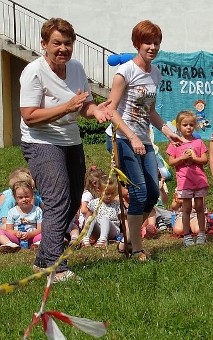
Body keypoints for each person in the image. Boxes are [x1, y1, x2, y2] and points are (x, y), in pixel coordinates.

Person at [19, 18, 111, 281]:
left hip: (71, 140)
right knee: (57, 199)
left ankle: (43, 260)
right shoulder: (33, 72)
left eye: (68, 44)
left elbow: (85, 105)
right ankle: (56, 268)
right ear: (44, 44)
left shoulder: (77, 69)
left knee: (71, 201)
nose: (63, 49)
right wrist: (67, 107)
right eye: (57, 43)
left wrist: (97, 110)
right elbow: (29, 115)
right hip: (41, 141)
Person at [105, 20, 184, 261]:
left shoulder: (155, 73)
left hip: (144, 141)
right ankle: (137, 249)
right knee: (138, 193)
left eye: (156, 42)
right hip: (122, 139)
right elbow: (111, 109)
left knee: (152, 194)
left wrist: (167, 130)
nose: (152, 47)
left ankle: (126, 241)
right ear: (137, 44)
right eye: (147, 42)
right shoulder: (125, 72)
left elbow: (149, 111)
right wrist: (131, 137)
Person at [167, 111, 209, 246]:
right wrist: (182, 158)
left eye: (191, 124)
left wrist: (194, 158)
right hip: (184, 182)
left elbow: (205, 159)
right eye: (185, 125)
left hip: (199, 181)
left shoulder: (198, 142)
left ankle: (201, 233)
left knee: (199, 207)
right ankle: (187, 235)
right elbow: (171, 162)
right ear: (179, 126)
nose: (188, 127)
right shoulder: (175, 143)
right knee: (186, 209)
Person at [0, 181, 43, 253]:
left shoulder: (37, 210)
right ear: (15, 198)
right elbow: (9, 229)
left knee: (47, 232)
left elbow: (40, 229)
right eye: (20, 197)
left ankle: (37, 245)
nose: (24, 199)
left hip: (33, 237)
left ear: (32, 195)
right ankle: (10, 245)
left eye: (27, 196)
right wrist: (16, 233)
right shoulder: (12, 212)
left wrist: (30, 234)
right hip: (17, 238)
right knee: (1, 232)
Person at [82, 176, 121, 248]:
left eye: (112, 193)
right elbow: (87, 218)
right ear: (98, 191)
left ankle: (103, 240)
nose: (109, 196)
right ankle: (85, 238)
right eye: (107, 193)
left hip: (113, 230)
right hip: (98, 230)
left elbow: (123, 220)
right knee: (91, 217)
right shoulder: (94, 203)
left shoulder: (117, 204)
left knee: (104, 218)